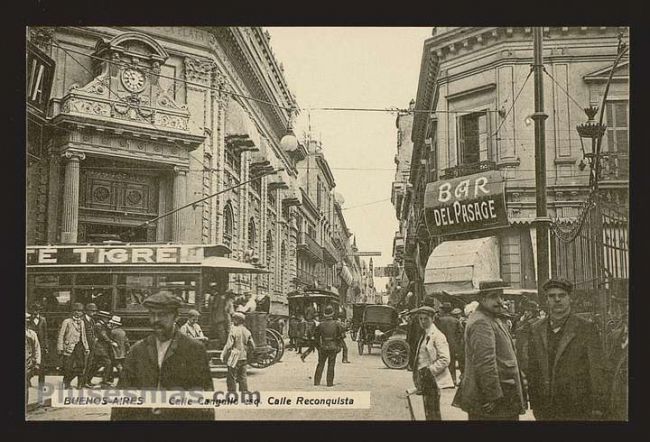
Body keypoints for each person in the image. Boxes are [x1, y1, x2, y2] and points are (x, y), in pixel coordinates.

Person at [110, 291, 214, 420]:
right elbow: (122, 397)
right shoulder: (137, 350)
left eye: (162, 315)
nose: (155, 320)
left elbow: (205, 401)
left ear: (176, 316)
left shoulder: (194, 350)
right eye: (152, 314)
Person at [526, 278, 609, 420]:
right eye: (552, 296)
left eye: (562, 295)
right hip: (546, 407)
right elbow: (533, 368)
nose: (557, 299)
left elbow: (597, 368)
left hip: (577, 406)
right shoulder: (536, 329)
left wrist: (598, 405)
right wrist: (535, 403)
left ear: (570, 298)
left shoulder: (586, 328)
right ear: (546, 300)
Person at [452, 281, 526, 421]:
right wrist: (493, 396)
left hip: (501, 394)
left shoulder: (490, 318)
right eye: (494, 296)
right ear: (482, 299)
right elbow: (485, 362)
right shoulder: (482, 322)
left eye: (501, 296)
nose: (499, 301)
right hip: (494, 402)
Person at [412, 306, 455, 420]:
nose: (423, 322)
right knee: (428, 410)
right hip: (424, 378)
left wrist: (430, 370)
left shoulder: (438, 336)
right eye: (420, 319)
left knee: (433, 410)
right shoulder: (425, 334)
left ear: (433, 318)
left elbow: (445, 359)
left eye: (426, 319)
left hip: (432, 379)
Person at [57, 303, 90, 389]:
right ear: (73, 312)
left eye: (80, 311)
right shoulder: (67, 321)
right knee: (68, 367)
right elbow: (61, 335)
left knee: (81, 365)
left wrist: (86, 347)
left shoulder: (82, 322)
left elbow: (84, 335)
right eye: (76, 310)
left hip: (79, 346)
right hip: (69, 347)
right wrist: (60, 347)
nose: (78, 313)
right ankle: (67, 384)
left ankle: (78, 383)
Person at [222, 312, 255, 393]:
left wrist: (223, 354)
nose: (232, 321)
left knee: (231, 375)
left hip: (234, 355)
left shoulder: (234, 330)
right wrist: (248, 352)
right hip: (243, 355)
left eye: (234, 319)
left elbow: (229, 345)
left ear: (237, 320)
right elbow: (253, 345)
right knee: (243, 375)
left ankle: (232, 392)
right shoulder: (246, 331)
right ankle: (244, 391)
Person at [312, 305, 345, 387]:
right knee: (331, 365)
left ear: (324, 314)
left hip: (323, 346)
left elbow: (315, 337)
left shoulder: (320, 325)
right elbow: (341, 336)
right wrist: (338, 346)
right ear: (332, 314)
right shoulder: (337, 324)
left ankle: (316, 382)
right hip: (333, 346)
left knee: (320, 364)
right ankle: (329, 383)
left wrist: (318, 347)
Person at [85, 311, 117, 387]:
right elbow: (103, 335)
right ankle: (104, 381)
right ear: (103, 318)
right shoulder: (99, 325)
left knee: (95, 365)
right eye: (107, 318)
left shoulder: (103, 324)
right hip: (99, 348)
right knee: (107, 363)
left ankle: (87, 381)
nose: (108, 320)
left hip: (100, 348)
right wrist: (111, 342)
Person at [435, 302, 463, 386]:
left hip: (441, 344)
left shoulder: (439, 320)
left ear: (443, 310)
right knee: (452, 363)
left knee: (441, 361)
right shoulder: (455, 320)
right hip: (453, 345)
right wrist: (456, 342)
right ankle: (453, 380)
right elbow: (460, 333)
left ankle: (443, 381)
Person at [28, 304, 48, 388]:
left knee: (42, 366)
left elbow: (45, 334)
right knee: (30, 365)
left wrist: (46, 346)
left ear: (39, 311)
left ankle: (41, 383)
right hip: (32, 345)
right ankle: (27, 380)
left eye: (37, 310)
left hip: (41, 345)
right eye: (34, 310)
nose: (35, 312)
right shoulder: (29, 320)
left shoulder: (43, 320)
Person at [80, 303, 98, 387]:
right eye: (92, 311)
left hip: (92, 346)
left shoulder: (92, 320)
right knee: (84, 365)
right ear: (86, 311)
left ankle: (86, 381)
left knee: (89, 364)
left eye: (94, 311)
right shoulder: (82, 320)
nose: (94, 312)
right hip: (85, 346)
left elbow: (93, 332)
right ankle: (83, 383)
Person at [25, 313, 41, 404]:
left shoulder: (32, 334)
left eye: (27, 320)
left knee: (25, 384)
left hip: (28, 363)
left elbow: (37, 348)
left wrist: (37, 362)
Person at [107, 315, 129, 380]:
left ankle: (122, 378)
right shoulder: (122, 331)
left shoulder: (112, 332)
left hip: (115, 352)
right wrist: (127, 350)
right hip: (122, 353)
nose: (110, 324)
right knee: (120, 365)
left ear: (113, 324)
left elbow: (109, 341)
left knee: (118, 366)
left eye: (111, 324)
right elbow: (126, 342)